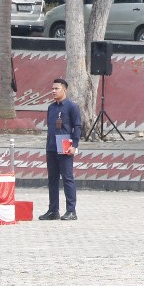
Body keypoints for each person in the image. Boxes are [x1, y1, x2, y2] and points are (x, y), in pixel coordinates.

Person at [40, 77, 83, 221]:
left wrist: (74, 145)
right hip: (51, 147)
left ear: (64, 89)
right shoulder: (51, 108)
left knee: (67, 178)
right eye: (52, 89)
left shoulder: (71, 107)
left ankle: (71, 211)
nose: (53, 91)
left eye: (56, 88)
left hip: (65, 147)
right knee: (52, 180)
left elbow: (77, 127)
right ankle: (53, 210)